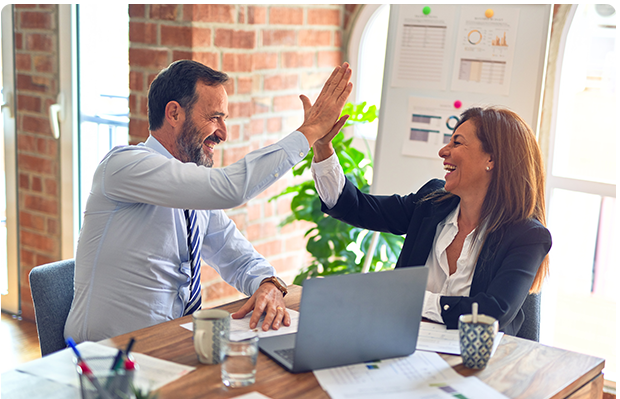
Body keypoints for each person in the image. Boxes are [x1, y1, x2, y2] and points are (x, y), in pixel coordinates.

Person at [64, 60, 352, 343]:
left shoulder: (192, 192)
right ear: (174, 114)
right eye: (215, 117)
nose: (223, 133)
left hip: (170, 347)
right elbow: (230, 189)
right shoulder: (124, 166)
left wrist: (268, 283)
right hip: (105, 360)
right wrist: (310, 131)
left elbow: (236, 255)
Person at [310, 106, 551, 336]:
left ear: (492, 159)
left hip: (478, 365)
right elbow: (356, 207)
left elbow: (491, 313)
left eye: (457, 142)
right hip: (404, 346)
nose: (443, 151)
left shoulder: (527, 236)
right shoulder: (431, 203)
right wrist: (323, 147)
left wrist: (409, 299)